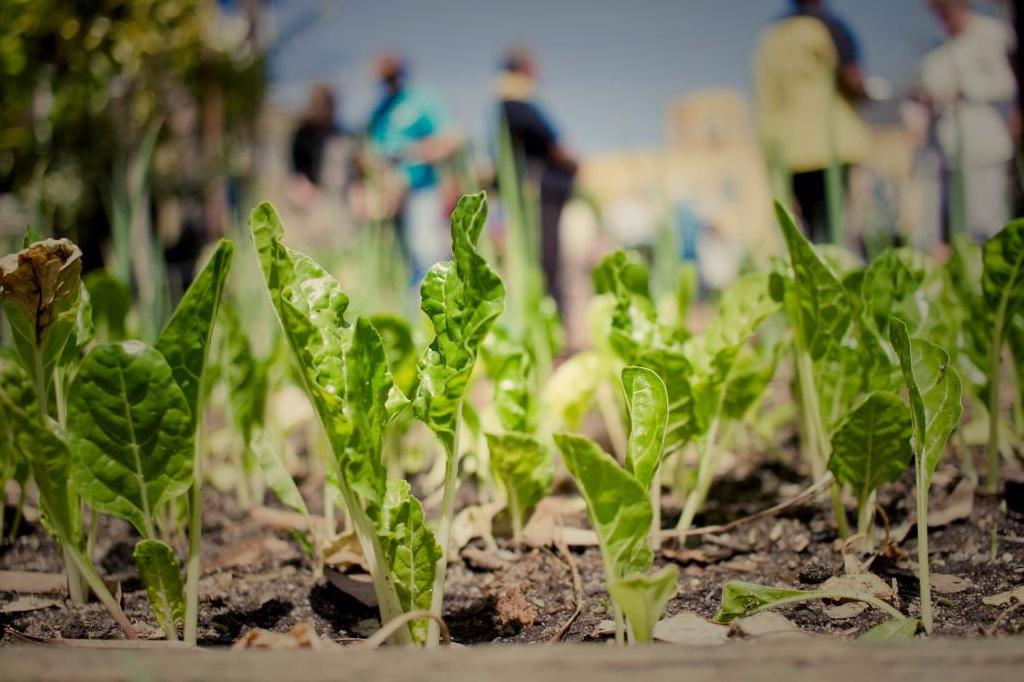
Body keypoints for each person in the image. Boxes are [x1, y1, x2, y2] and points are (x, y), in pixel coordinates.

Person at [754, 0, 872, 243]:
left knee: (810, 228)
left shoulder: (770, 39)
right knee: (838, 225)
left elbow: (766, 99)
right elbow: (852, 79)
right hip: (833, 142)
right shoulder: (827, 27)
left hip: (792, 150)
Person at [920, 0, 1017, 243]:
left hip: (984, 145)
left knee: (988, 222)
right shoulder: (939, 51)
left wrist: (963, 89)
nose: (945, 17)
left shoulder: (992, 34)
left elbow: (1007, 85)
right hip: (949, 150)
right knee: (962, 227)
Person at [366, 53, 461, 281]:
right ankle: (409, 308)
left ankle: (430, 309)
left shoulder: (421, 101)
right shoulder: (380, 113)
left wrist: (417, 152)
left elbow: (452, 138)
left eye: (392, 77)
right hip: (391, 198)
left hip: (423, 190)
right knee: (398, 259)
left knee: (426, 252)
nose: (389, 83)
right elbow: (370, 152)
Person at [497, 46, 577, 310]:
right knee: (545, 255)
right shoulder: (515, 103)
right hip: (539, 190)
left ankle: (548, 311)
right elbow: (554, 144)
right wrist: (571, 160)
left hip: (542, 189)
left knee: (546, 255)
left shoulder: (518, 102)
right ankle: (548, 311)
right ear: (523, 69)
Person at [291, 83, 344, 189]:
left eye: (328, 105)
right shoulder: (302, 134)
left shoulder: (339, 134)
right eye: (321, 104)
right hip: (309, 193)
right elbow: (295, 172)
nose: (324, 110)